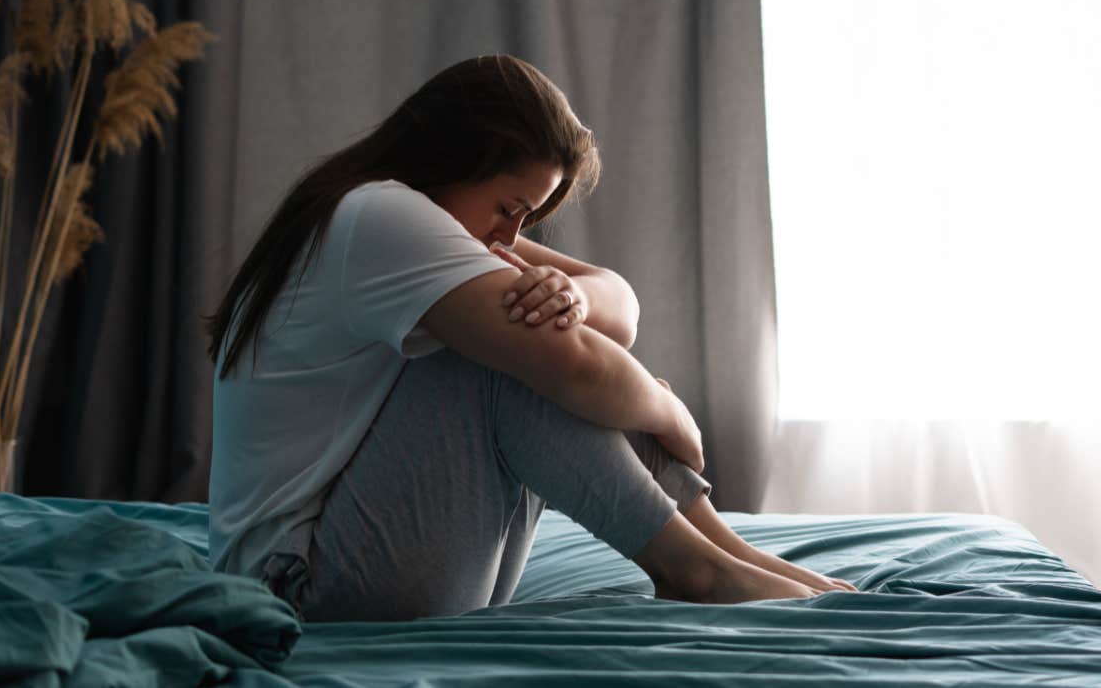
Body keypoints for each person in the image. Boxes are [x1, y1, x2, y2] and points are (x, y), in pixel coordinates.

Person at [201, 54, 856, 622]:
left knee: (539, 330)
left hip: (361, 560)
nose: (511, 237)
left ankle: (722, 553)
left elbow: (618, 301)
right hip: (296, 588)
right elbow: (578, 371)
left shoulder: (412, 218)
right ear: (452, 160)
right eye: (510, 208)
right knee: (505, 356)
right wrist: (666, 405)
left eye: (528, 218)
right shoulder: (382, 217)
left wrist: (576, 294)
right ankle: (695, 569)